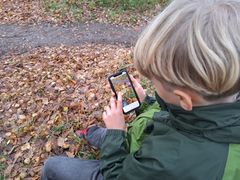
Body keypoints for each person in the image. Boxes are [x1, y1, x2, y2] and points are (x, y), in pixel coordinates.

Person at [41, 0, 240, 179]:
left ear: (184, 99)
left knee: (52, 166)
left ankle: (113, 139)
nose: (152, 85)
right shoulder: (210, 104)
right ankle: (109, 137)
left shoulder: (168, 161)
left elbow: (118, 175)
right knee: (108, 134)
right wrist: (146, 102)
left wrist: (116, 133)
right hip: (150, 143)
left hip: (133, 167)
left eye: (155, 82)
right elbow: (177, 116)